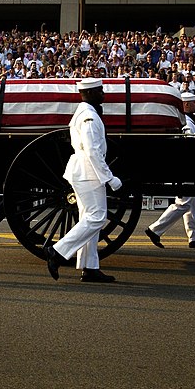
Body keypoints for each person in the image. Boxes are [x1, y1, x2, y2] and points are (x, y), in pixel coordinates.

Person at [43, 78, 122, 283]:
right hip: (89, 172)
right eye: (100, 91)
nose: (103, 95)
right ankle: (58, 251)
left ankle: (89, 267)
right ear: (91, 93)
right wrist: (109, 177)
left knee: (90, 218)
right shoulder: (89, 116)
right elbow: (92, 151)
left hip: (85, 171)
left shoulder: (85, 113)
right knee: (96, 217)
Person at [144, 92, 195, 250]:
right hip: (187, 167)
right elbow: (189, 143)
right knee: (184, 202)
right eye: (194, 102)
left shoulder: (187, 120)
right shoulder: (186, 122)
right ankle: (155, 229)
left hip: (190, 167)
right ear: (186, 105)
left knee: (192, 202)